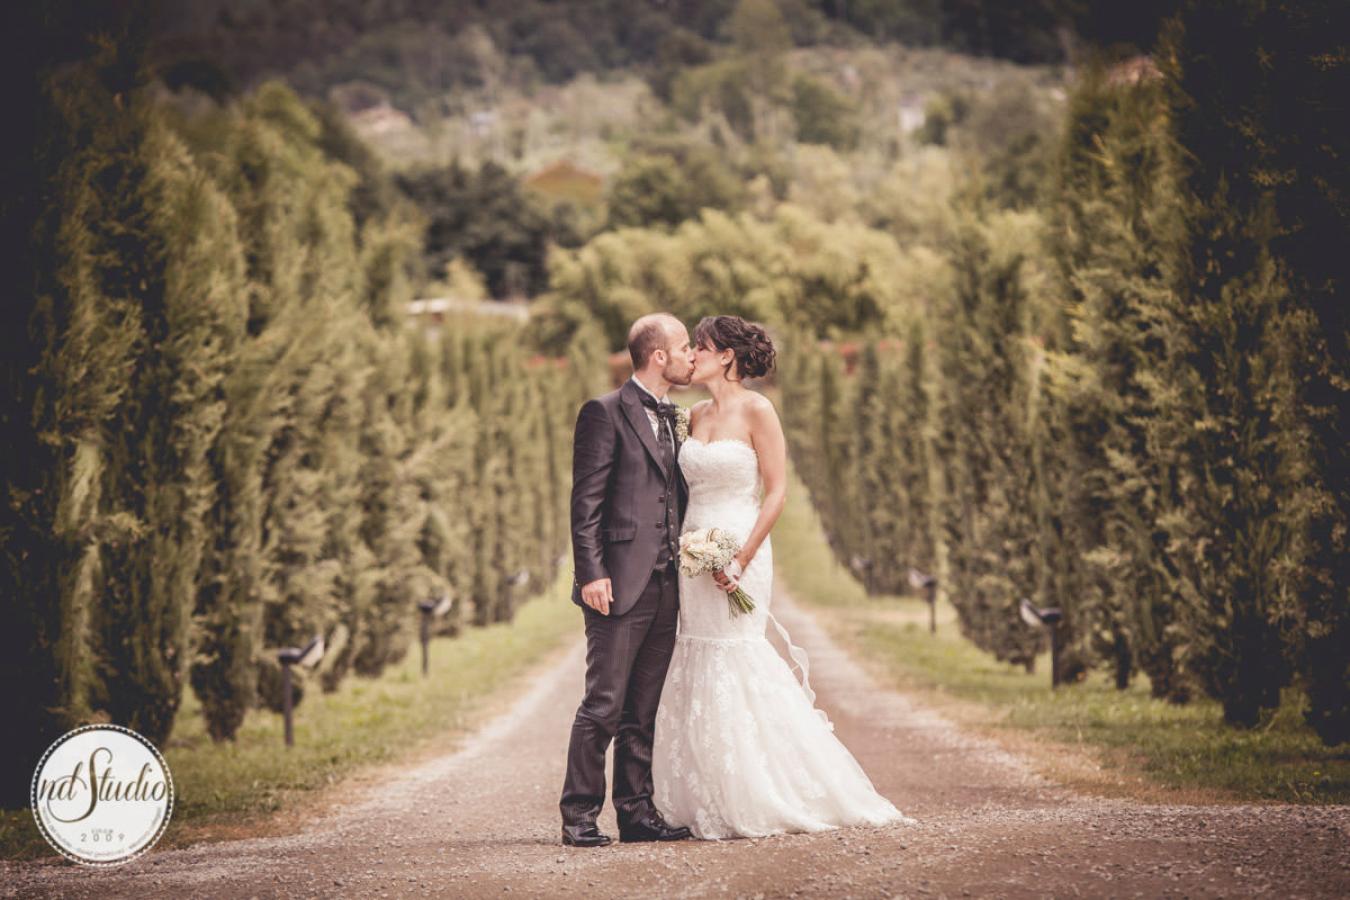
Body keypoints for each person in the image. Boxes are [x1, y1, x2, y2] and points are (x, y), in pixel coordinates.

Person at [651, 314, 916, 840]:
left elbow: (776, 492)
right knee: (698, 650)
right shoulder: (694, 414)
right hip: (693, 554)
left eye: (700, 348)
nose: (693, 356)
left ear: (726, 356)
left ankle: (765, 788)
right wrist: (689, 547)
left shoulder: (758, 410)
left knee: (736, 652)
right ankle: (705, 793)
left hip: (740, 548)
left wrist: (740, 557)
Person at [559, 312, 697, 847]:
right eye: (684, 347)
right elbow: (585, 501)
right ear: (658, 355)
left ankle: (637, 814)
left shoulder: (676, 415)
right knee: (604, 704)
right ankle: (578, 816)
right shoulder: (604, 411)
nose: (691, 355)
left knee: (643, 708)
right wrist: (591, 572)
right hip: (617, 583)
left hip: (667, 585)